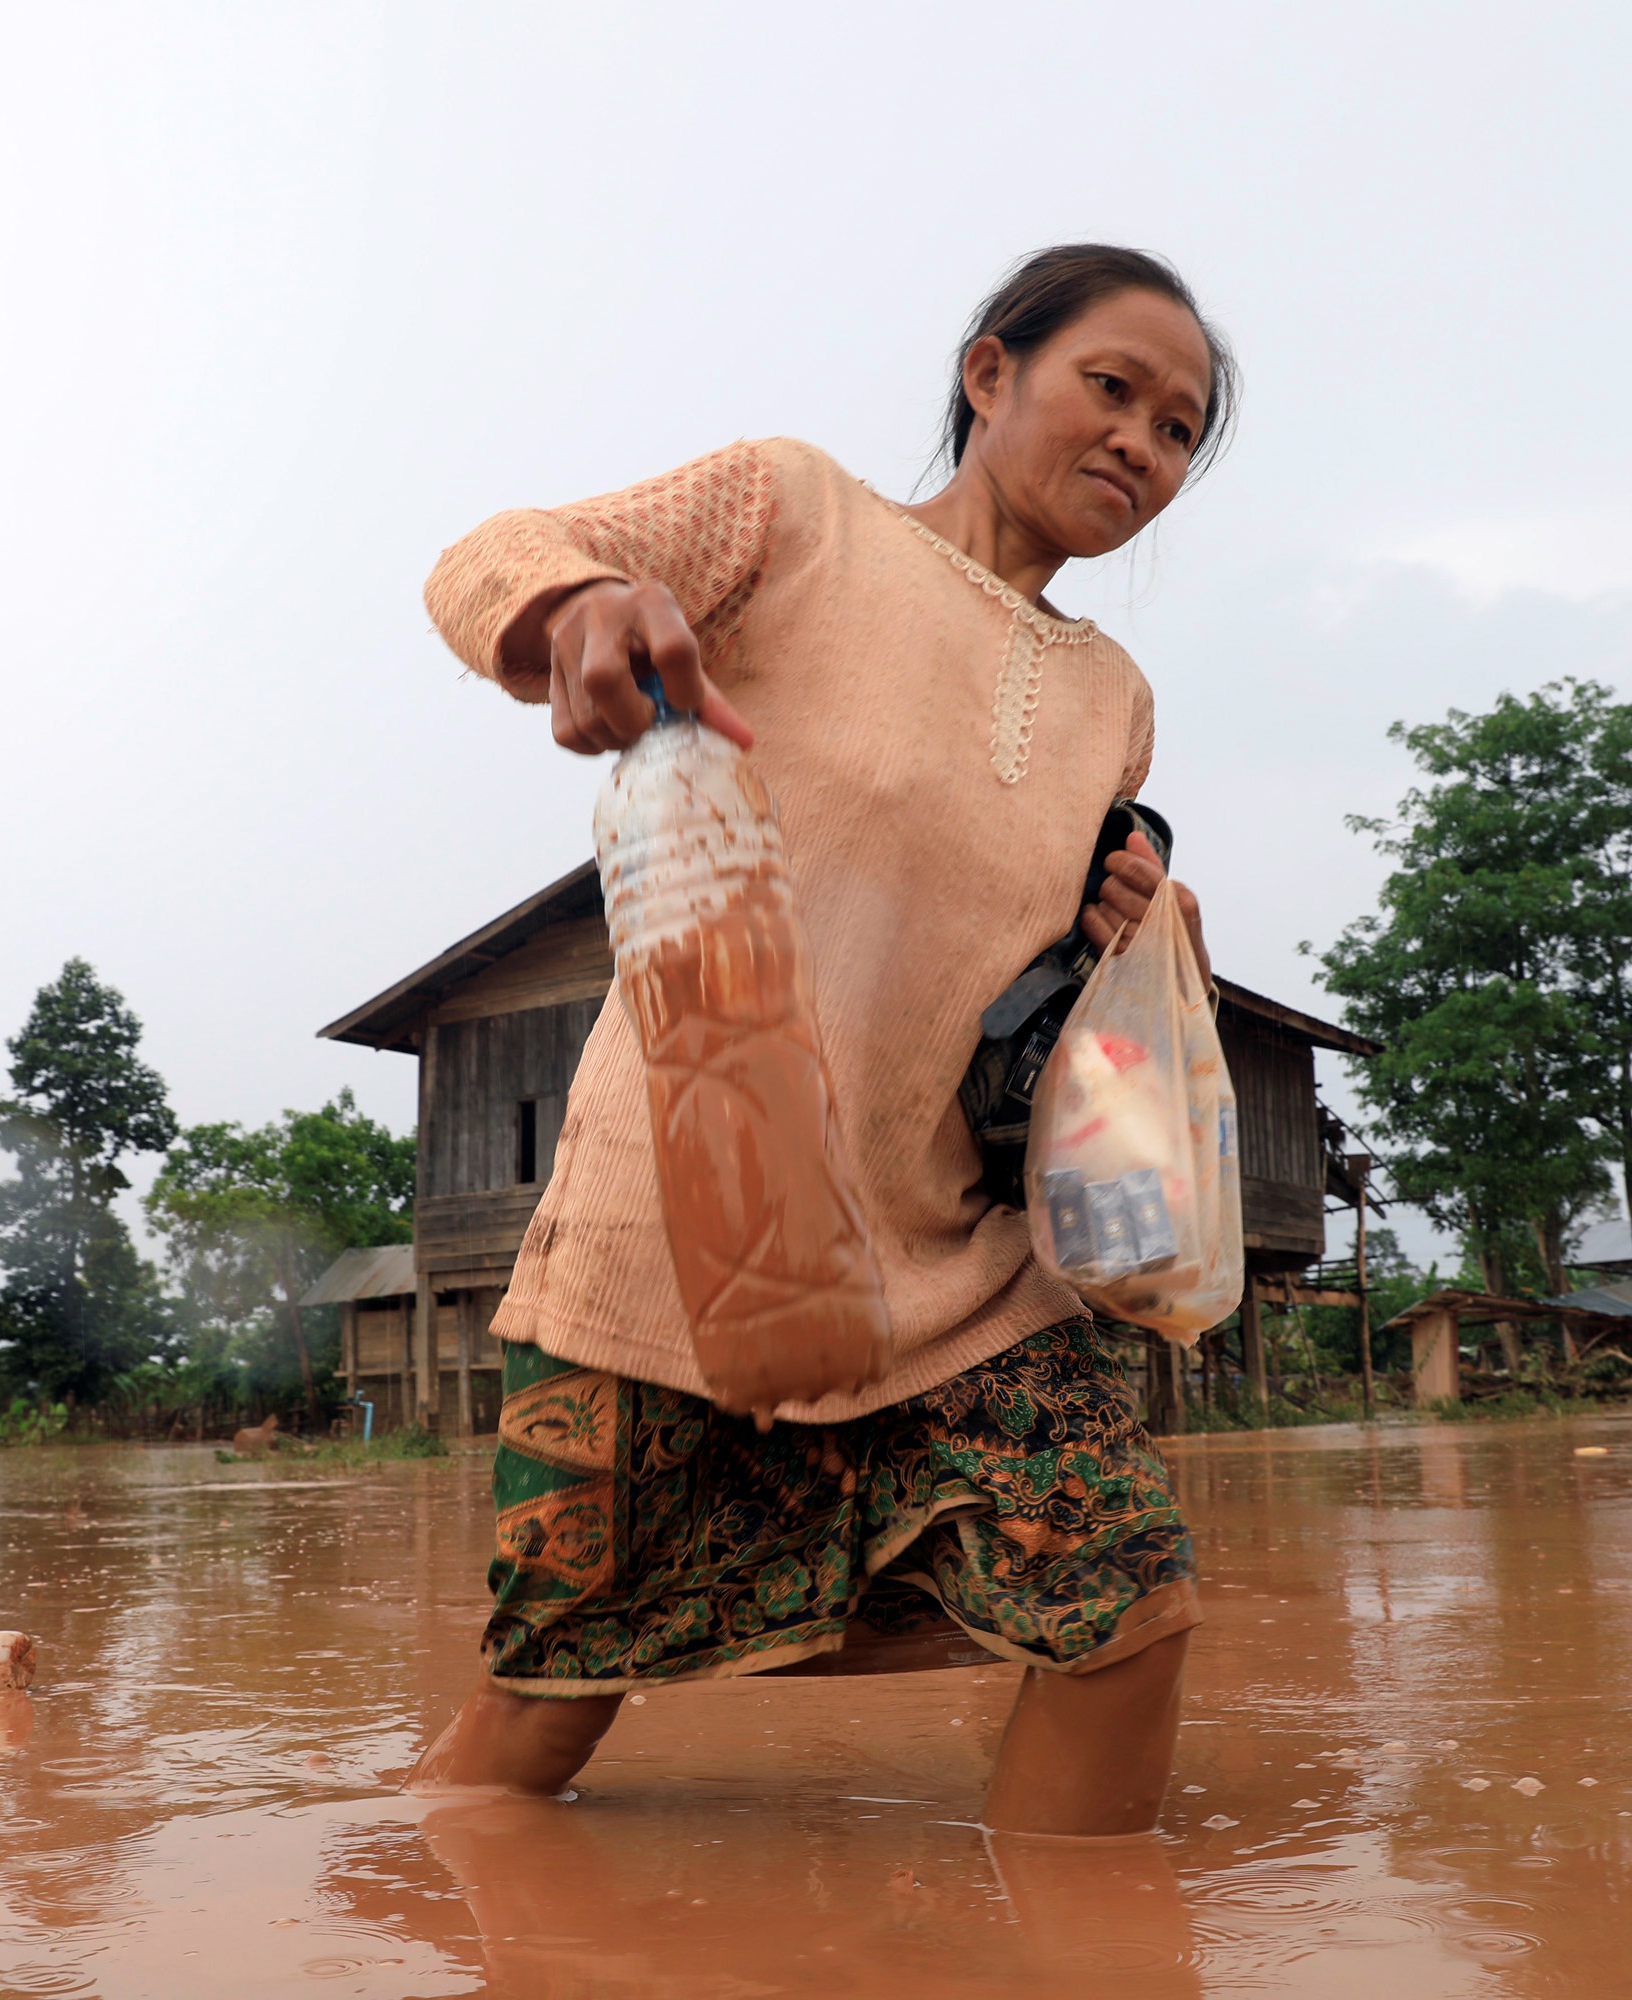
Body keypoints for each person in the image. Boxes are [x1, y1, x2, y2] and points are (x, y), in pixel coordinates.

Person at [407, 244, 1236, 1839]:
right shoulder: (795, 512)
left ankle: (1083, 1941)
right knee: (542, 1707)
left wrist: (1144, 922)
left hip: (954, 1274)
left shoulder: (1117, 699)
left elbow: (1044, 988)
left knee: (1126, 1615)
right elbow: (492, 553)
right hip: (691, 1236)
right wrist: (580, 604)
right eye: (1112, 389)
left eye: (1183, 430)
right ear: (992, 375)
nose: (1144, 443)